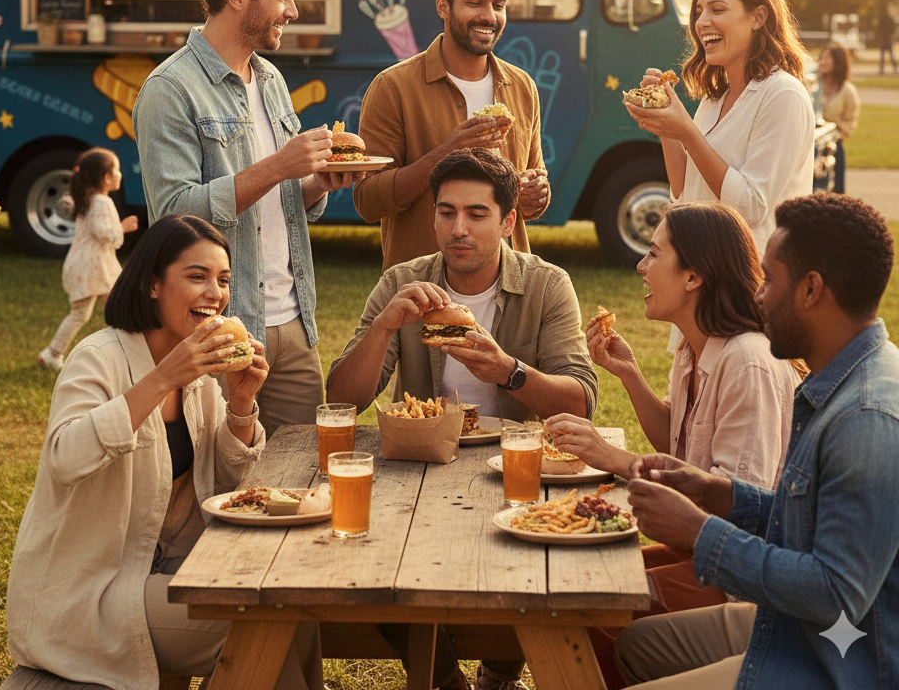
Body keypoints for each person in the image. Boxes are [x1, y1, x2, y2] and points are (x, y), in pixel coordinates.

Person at [7, 214, 322, 690]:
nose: (214, 293)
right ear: (153, 284)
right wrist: (161, 380)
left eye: (223, 280)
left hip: (172, 567)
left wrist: (240, 404)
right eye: (196, 276)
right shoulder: (99, 357)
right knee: (264, 623)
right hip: (93, 590)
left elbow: (227, 487)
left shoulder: (199, 369)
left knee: (295, 606)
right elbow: (64, 459)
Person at [329, 148, 596, 690]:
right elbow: (343, 398)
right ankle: (444, 679)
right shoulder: (404, 281)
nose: (458, 229)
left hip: (517, 466)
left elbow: (582, 399)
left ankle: (499, 673)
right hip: (420, 463)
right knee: (371, 556)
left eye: (477, 214)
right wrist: (383, 328)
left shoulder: (547, 284)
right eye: (446, 212)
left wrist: (509, 371)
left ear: (508, 221)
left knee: (531, 567)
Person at [614, 194, 898, 690]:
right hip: (805, 627)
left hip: (843, 657)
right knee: (633, 645)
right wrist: (725, 496)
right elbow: (812, 526)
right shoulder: (846, 378)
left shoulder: (864, 418)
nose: (758, 296)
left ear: (810, 290)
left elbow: (833, 594)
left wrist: (702, 532)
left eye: (769, 280)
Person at [546, 202, 803, 688]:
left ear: (693, 278)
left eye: (653, 253)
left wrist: (615, 459)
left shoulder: (747, 361)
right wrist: (630, 376)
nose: (641, 266)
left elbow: (732, 504)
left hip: (743, 574)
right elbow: (678, 441)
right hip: (704, 551)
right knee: (584, 583)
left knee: (598, 613)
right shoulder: (694, 345)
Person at [132, 0, 360, 436]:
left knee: (303, 472)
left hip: (293, 321)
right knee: (223, 479)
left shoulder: (272, 80)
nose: (293, 11)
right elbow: (174, 214)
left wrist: (318, 183)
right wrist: (279, 165)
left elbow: (276, 201)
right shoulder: (168, 91)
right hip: (217, 326)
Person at [353, 0, 550, 272]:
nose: (489, 15)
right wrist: (448, 152)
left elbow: (529, 195)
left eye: (498, 5)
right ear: (443, 6)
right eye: (475, 2)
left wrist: (536, 195)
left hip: (509, 294)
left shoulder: (522, 86)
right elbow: (367, 202)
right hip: (424, 292)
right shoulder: (393, 87)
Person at [623, 0, 814, 256]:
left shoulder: (783, 95)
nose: (701, 22)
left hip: (751, 279)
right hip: (705, 269)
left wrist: (686, 130)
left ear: (758, 17)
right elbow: (685, 191)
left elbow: (751, 207)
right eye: (699, 11)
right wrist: (665, 124)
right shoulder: (716, 96)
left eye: (717, 9)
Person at [38, 147, 139, 370]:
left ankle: (53, 353)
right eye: (118, 170)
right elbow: (102, 232)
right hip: (94, 267)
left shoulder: (89, 198)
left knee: (107, 309)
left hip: (89, 265)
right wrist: (123, 227)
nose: (121, 175)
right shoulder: (102, 202)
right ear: (107, 178)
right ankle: (128, 353)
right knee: (119, 307)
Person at [817, 42, 860, 194]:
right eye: (822, 58)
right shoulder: (814, 85)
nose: (823, 62)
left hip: (833, 147)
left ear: (838, 63)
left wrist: (833, 127)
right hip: (813, 147)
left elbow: (850, 121)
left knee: (835, 191)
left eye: (828, 59)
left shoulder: (847, 91)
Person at [875, 3, 897, 74]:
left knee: (885, 55)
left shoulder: (883, 19)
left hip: (885, 38)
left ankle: (883, 69)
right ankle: (892, 67)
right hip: (886, 38)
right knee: (888, 54)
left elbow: (878, 28)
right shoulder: (887, 19)